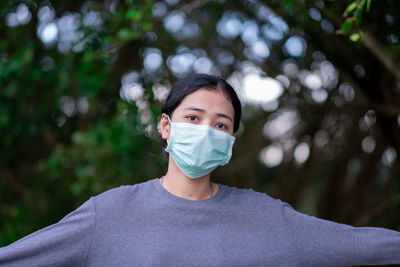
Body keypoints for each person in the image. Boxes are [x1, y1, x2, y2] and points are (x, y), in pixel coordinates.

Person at [0, 73, 399, 266]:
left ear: (231, 141)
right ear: (166, 126)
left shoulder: (268, 218)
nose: (207, 130)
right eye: (193, 117)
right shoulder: (107, 215)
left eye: (221, 124)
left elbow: (367, 245)